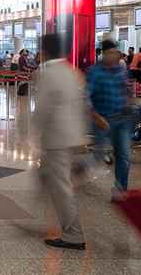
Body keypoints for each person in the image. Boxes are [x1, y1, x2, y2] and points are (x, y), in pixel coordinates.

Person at [34, 34, 86, 250]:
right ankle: (43, 189)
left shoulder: (48, 74)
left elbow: (43, 108)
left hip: (57, 138)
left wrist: (33, 131)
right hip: (73, 135)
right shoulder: (72, 71)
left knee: (61, 187)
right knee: (52, 177)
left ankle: (73, 234)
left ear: (44, 52)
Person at [85, 39, 133, 200]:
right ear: (104, 54)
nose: (114, 56)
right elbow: (86, 97)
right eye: (111, 53)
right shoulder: (94, 72)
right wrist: (96, 116)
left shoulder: (121, 70)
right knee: (97, 157)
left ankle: (120, 190)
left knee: (124, 156)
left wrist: (128, 102)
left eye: (116, 53)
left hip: (122, 119)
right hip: (103, 120)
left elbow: (125, 89)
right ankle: (77, 170)